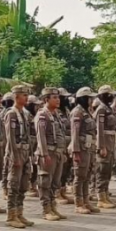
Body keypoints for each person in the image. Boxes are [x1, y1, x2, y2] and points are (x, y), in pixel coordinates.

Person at [4, 85, 35, 227]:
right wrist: (15, 156)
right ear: (16, 97)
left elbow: (28, 135)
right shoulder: (11, 114)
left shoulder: (25, 113)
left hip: (25, 152)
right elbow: (10, 138)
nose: (26, 97)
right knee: (14, 184)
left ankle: (19, 213)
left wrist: (30, 154)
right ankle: (11, 216)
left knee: (23, 184)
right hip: (16, 152)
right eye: (23, 95)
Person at [35, 87, 67, 221]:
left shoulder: (56, 114)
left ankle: (53, 206)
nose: (58, 100)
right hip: (48, 153)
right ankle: (46, 209)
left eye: (58, 97)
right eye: (54, 97)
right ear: (45, 99)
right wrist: (44, 154)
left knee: (55, 182)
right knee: (45, 181)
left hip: (58, 152)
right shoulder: (42, 115)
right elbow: (40, 136)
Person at [70, 87, 98, 215]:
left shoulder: (87, 112)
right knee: (80, 176)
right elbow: (75, 133)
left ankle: (86, 201)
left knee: (87, 175)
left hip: (89, 147)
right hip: (81, 147)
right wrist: (75, 151)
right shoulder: (77, 112)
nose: (91, 100)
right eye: (89, 98)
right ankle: (79, 203)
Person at [94, 85, 116, 209]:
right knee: (102, 170)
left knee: (108, 170)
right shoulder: (101, 110)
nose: (112, 97)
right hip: (105, 143)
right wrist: (101, 146)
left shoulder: (109, 109)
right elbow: (99, 129)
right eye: (110, 95)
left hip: (111, 142)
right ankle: (100, 197)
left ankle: (105, 195)